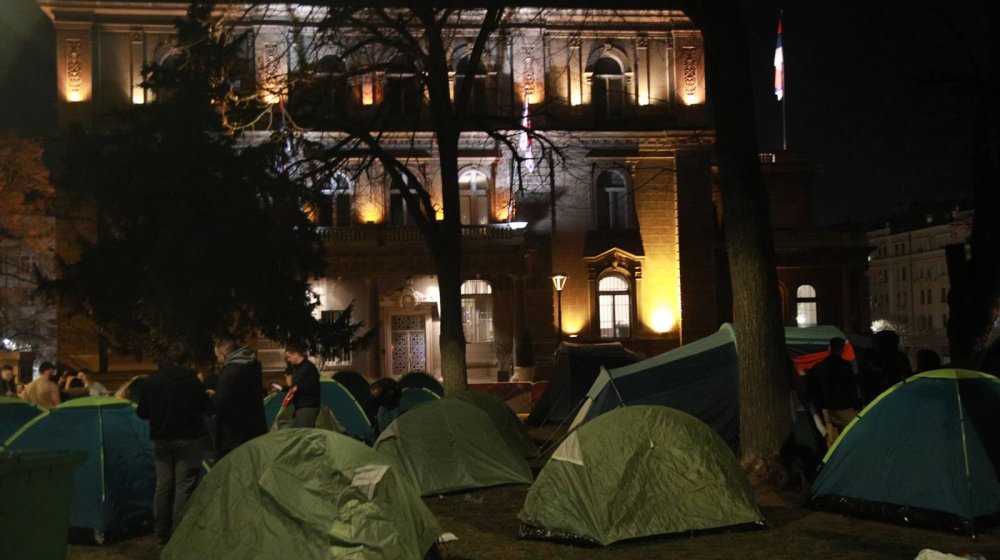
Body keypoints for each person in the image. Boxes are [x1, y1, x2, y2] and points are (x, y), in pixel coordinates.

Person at [136, 343, 209, 546]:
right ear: (186, 360)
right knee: (183, 487)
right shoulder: (191, 381)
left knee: (163, 485)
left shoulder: (152, 380)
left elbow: (142, 412)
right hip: (188, 439)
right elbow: (204, 407)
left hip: (161, 439)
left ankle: (161, 533)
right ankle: (179, 534)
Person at [211, 338, 267, 460]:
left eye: (218, 356)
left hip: (233, 432)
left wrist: (214, 397)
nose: (218, 360)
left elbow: (220, 402)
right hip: (254, 427)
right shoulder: (253, 366)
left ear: (223, 354)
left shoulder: (229, 371)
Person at [811, 337, 857, 447]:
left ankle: (833, 456)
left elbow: (816, 386)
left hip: (827, 406)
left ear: (830, 348)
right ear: (842, 349)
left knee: (832, 439)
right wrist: (855, 402)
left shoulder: (820, 366)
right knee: (850, 435)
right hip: (844, 405)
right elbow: (851, 386)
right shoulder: (845, 365)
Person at [284, 341, 320, 429]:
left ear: (296, 354)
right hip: (299, 407)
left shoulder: (309, 368)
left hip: (307, 406)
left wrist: (298, 388)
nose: (288, 359)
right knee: (292, 432)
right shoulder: (296, 368)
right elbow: (294, 387)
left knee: (304, 433)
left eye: (289, 356)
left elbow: (313, 388)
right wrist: (281, 388)